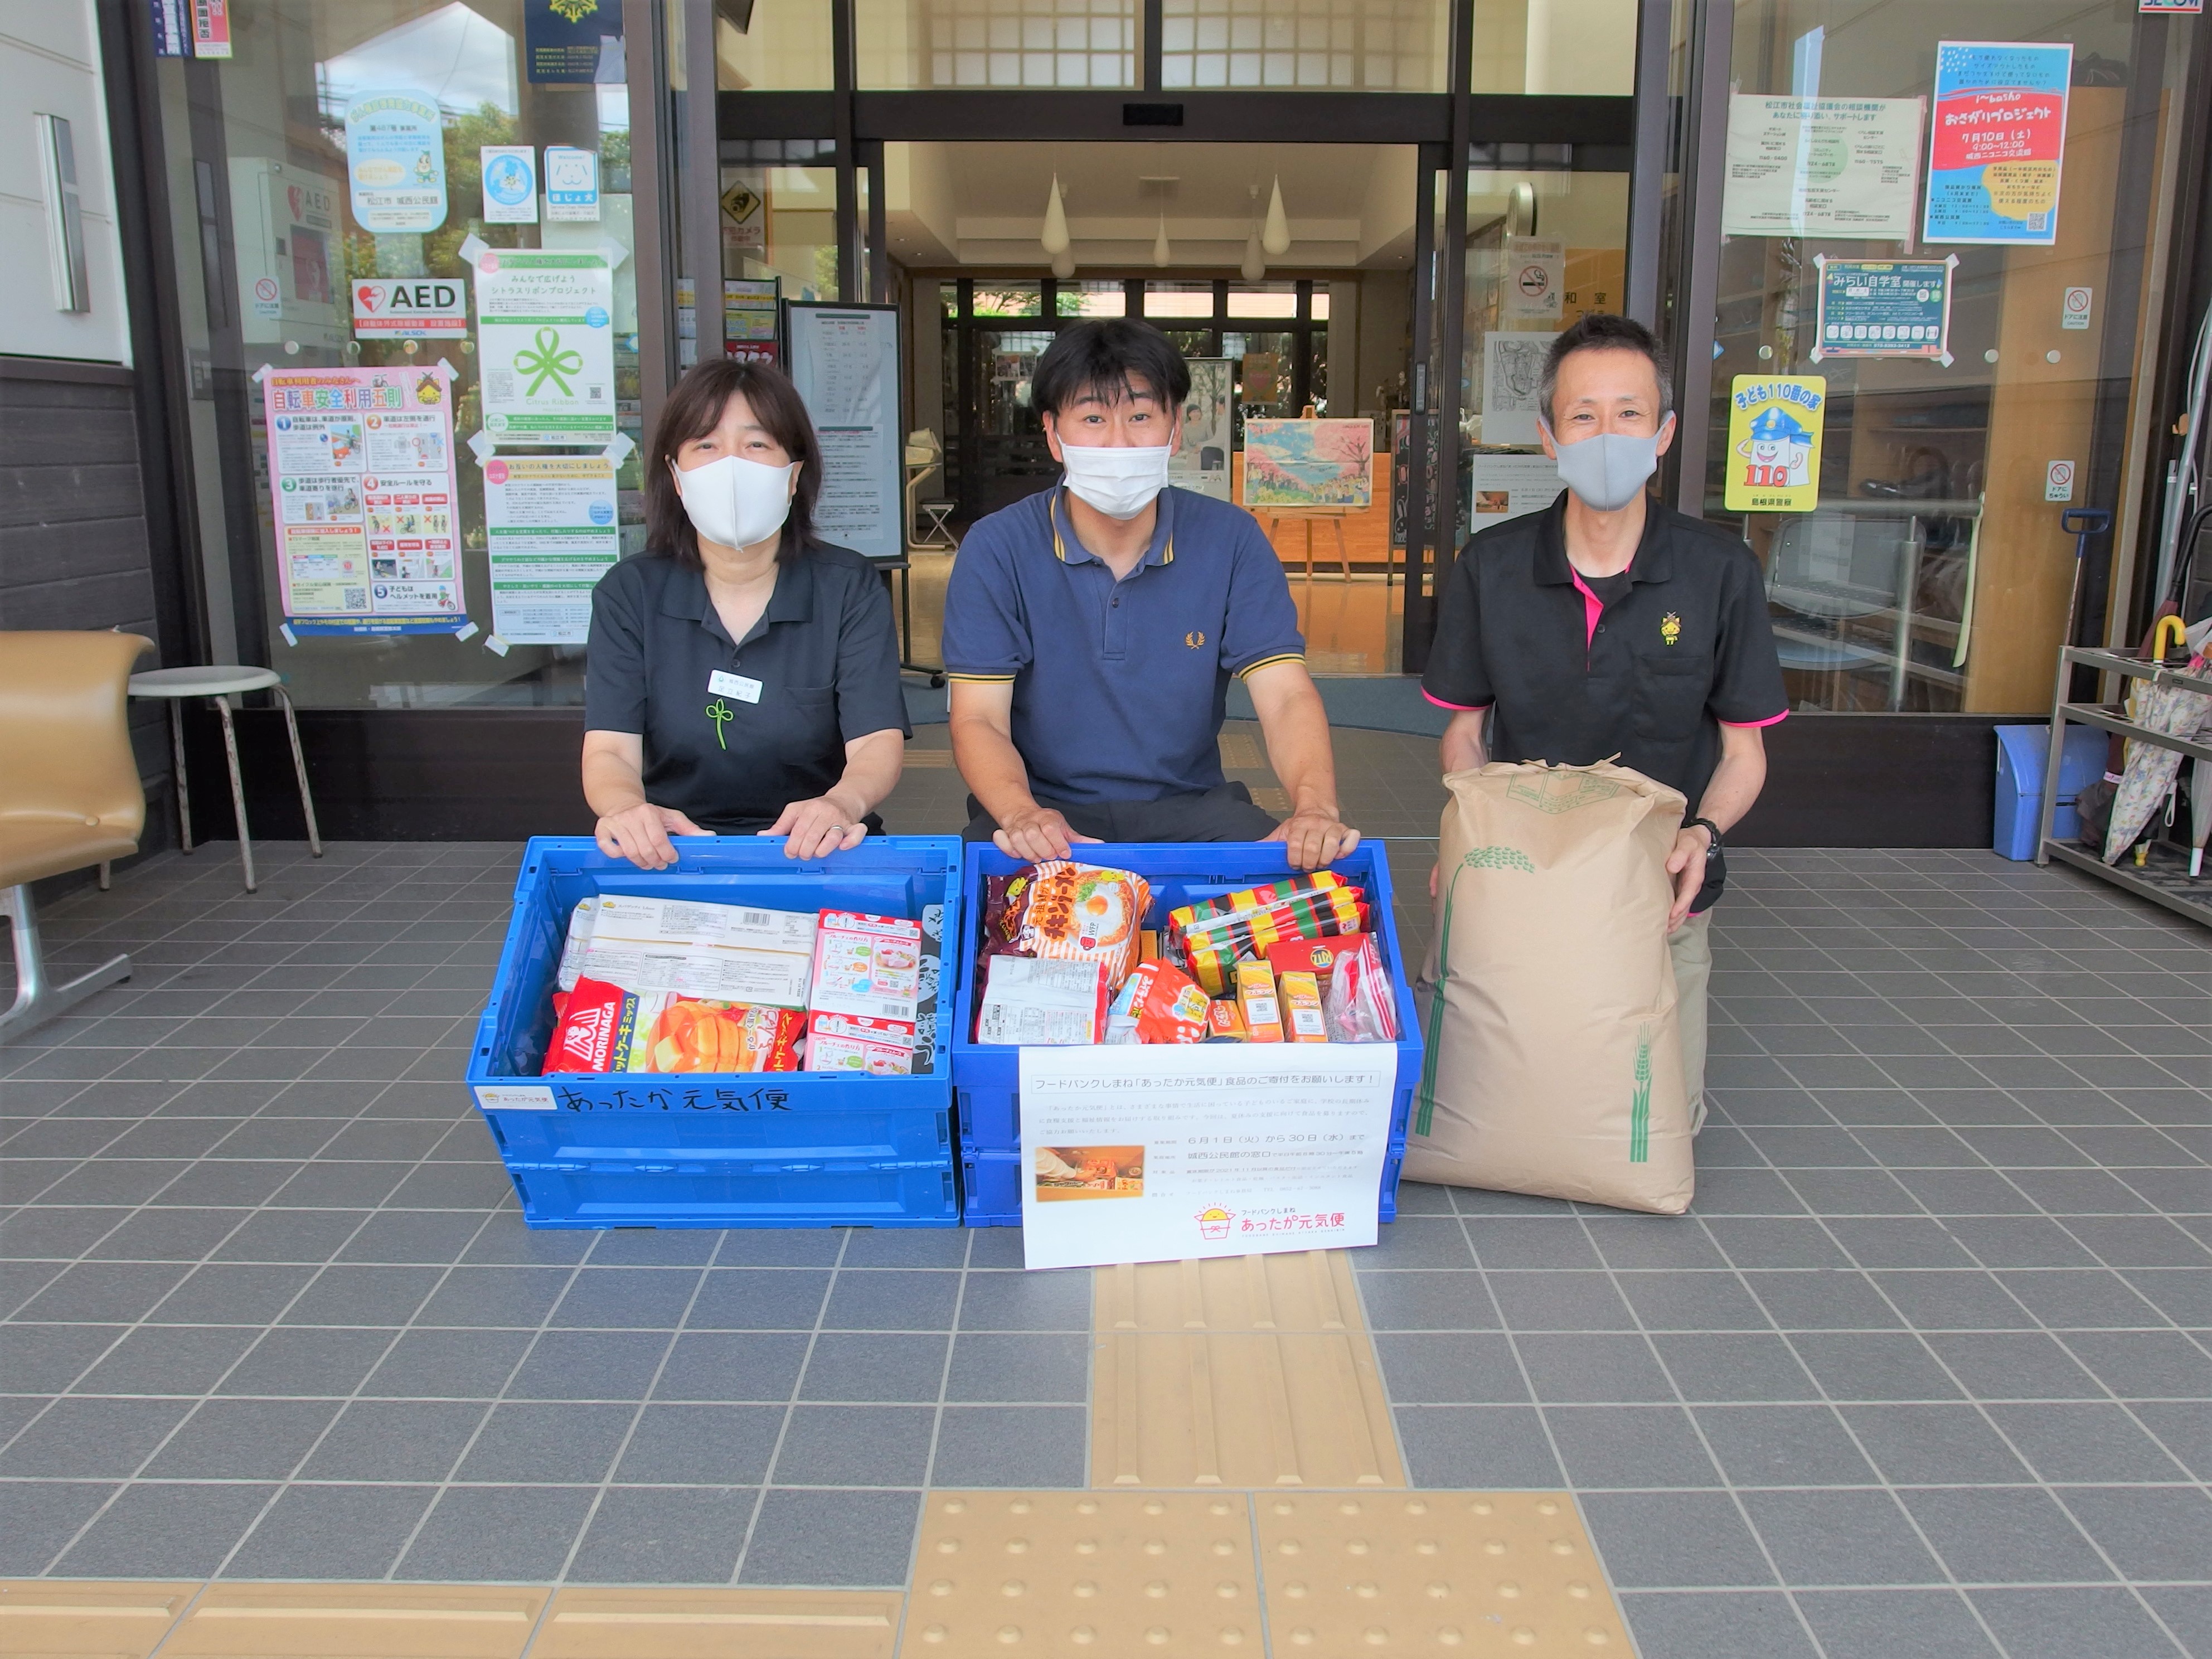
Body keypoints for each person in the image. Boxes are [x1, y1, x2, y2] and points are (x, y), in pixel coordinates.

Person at [1422, 314, 1787, 1128]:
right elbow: (1465, 731)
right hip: (1523, 866)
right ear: (1550, 436)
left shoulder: (1720, 571)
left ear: (1664, 433)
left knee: (1658, 1126)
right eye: (1583, 416)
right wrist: (1468, 835)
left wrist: (1707, 835)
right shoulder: (1493, 567)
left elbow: (1743, 753)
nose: (1607, 434)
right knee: (1487, 1110)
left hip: (1657, 882)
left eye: (1629, 413)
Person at [942, 319, 1356, 869]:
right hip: (1043, 813)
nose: (1118, 441)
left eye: (1140, 416)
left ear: (1175, 428)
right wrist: (1019, 812)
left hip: (1194, 811)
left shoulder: (1230, 539)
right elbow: (978, 719)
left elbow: (1284, 696)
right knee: (982, 922)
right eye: (1092, 418)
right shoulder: (997, 547)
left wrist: (1314, 807)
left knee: (1294, 895)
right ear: (1052, 432)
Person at [582, 360, 909, 870]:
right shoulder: (631, 593)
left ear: (793, 473)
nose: (730, 466)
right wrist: (626, 809)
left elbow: (875, 741)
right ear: (676, 475)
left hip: (821, 847)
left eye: (756, 445)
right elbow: (610, 751)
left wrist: (842, 804)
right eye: (706, 446)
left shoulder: (848, 587)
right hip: (671, 850)